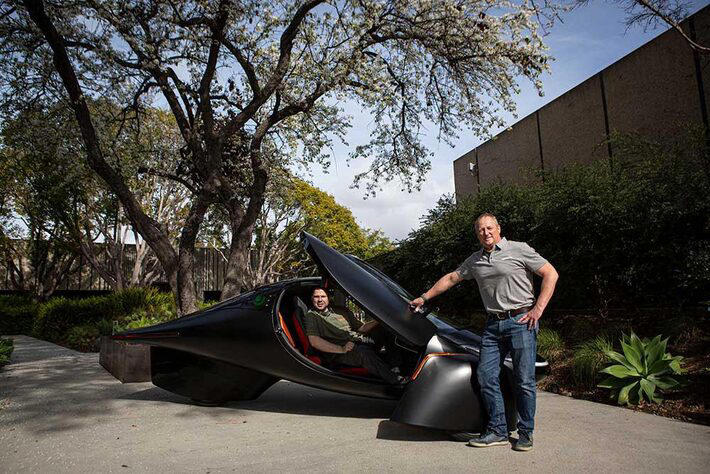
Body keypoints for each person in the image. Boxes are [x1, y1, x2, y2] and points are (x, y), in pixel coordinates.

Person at [409, 213, 558, 452]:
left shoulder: (519, 249)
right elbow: (451, 278)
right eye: (480, 229)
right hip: (492, 326)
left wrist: (538, 309)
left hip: (521, 321)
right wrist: (424, 297)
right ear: (477, 233)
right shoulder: (475, 260)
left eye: (489, 227)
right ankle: (498, 430)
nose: (486, 232)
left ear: (498, 228)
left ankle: (526, 433)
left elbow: (550, 273)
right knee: (486, 377)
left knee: (524, 381)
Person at [305, 287, 406, 385]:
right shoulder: (312, 315)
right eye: (316, 297)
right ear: (311, 299)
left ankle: (395, 366)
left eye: (323, 296)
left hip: (359, 340)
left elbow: (362, 328)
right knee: (363, 352)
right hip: (341, 351)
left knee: (385, 328)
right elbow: (314, 341)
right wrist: (341, 349)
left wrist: (380, 321)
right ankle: (395, 379)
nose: (320, 300)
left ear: (328, 298)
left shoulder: (341, 310)